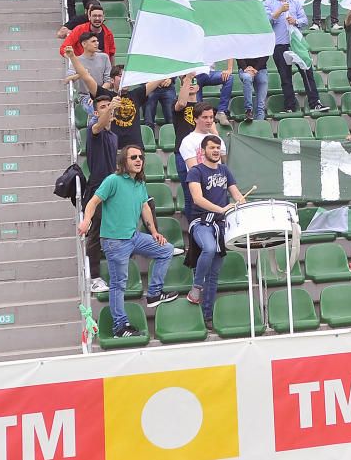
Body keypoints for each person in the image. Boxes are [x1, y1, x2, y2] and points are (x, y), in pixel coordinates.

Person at [77, 144, 177, 337]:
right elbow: (93, 201)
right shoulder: (113, 180)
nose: (139, 160)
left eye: (140, 157)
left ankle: (155, 293)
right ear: (124, 161)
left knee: (166, 250)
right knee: (118, 284)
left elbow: (145, 207)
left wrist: (154, 231)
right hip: (115, 242)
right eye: (133, 157)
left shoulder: (139, 183)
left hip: (134, 237)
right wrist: (87, 220)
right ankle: (119, 327)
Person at [185, 134, 245, 327]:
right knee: (209, 249)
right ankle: (196, 287)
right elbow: (197, 199)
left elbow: (236, 195)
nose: (216, 150)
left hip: (220, 225)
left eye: (218, 147)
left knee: (215, 274)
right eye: (211, 147)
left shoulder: (225, 170)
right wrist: (221, 209)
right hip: (201, 222)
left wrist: (241, 202)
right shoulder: (195, 171)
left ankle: (207, 315)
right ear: (203, 151)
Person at [65, 53, 160, 149]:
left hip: (135, 149)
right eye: (120, 76)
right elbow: (86, 77)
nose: (124, 79)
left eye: (126, 76)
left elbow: (158, 79)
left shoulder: (136, 94)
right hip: (113, 149)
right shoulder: (105, 95)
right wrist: (72, 56)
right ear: (112, 80)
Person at [266, 0, 326, 113]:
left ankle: (315, 103)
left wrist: (296, 21)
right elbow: (267, 22)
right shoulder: (268, 4)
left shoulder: (295, 3)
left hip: (296, 45)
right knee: (285, 77)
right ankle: (290, 106)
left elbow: (304, 21)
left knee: (307, 72)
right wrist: (279, 11)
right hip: (280, 45)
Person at [81, 90, 119, 293]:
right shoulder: (93, 130)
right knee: (95, 233)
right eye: (102, 108)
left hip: (114, 188)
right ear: (96, 113)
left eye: (109, 107)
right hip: (97, 188)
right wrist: (110, 107)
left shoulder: (113, 136)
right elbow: (98, 124)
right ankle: (94, 277)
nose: (107, 110)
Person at [173, 73, 200, 219]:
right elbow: (181, 104)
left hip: (200, 154)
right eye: (186, 81)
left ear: (199, 87)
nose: (190, 83)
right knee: (190, 195)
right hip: (182, 155)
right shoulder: (176, 103)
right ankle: (193, 230)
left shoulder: (203, 108)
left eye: (193, 81)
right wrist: (187, 77)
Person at [64, 31, 111, 115]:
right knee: (97, 112)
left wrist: (97, 95)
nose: (96, 43)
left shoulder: (104, 57)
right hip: (86, 96)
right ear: (84, 44)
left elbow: (108, 81)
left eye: (97, 41)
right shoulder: (77, 60)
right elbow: (67, 79)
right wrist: (81, 74)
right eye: (93, 41)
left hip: (104, 94)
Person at [180, 102, 226, 171]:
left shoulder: (217, 138)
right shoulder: (188, 141)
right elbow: (194, 170)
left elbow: (226, 163)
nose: (209, 121)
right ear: (195, 119)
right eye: (205, 117)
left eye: (211, 117)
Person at [195, 62, 234, 126]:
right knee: (193, 85)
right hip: (193, 74)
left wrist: (229, 70)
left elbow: (229, 52)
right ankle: (199, 115)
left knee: (228, 77)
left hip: (209, 72)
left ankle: (221, 112)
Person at [236, 55, 268, 122]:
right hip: (244, 69)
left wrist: (256, 69)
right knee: (247, 78)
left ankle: (259, 126)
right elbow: (238, 54)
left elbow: (266, 54)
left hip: (261, 69)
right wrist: (245, 68)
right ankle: (248, 110)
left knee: (261, 106)